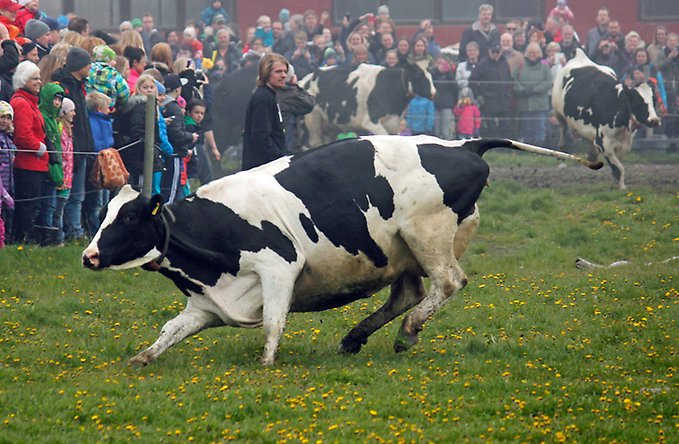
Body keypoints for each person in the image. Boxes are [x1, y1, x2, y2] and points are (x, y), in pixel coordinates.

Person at [52, 47, 95, 241]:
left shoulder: (80, 85)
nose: (90, 67)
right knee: (70, 195)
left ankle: (75, 230)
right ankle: (72, 232)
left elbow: (82, 119)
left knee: (79, 195)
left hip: (83, 148)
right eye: (88, 63)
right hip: (70, 149)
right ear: (79, 66)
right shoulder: (63, 86)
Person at [9, 61, 46, 244]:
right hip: (27, 163)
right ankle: (23, 239)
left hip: (35, 163)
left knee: (32, 203)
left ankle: (25, 238)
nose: (39, 81)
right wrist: (39, 146)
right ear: (24, 80)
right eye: (34, 78)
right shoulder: (22, 103)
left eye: (39, 78)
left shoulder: (30, 102)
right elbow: (23, 136)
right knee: (27, 204)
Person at [115, 74, 166, 193]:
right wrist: (150, 150)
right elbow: (138, 132)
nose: (149, 90)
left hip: (151, 154)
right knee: (143, 192)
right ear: (138, 89)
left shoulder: (153, 106)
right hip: (141, 158)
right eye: (145, 87)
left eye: (152, 87)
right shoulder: (140, 107)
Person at [241, 53, 288, 170]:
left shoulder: (269, 95)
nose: (283, 75)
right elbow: (260, 137)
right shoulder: (264, 98)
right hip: (262, 170)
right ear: (266, 73)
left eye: (285, 71)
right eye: (278, 72)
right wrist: (281, 159)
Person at [35, 81, 64, 246]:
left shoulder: (54, 119)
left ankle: (49, 237)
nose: (58, 103)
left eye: (60, 99)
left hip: (54, 167)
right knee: (47, 205)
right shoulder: (44, 116)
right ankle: (45, 238)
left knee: (51, 205)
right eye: (55, 99)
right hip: (47, 168)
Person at [161, 74, 197, 203]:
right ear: (177, 90)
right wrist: (190, 137)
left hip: (165, 153)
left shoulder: (161, 106)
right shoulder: (174, 108)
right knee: (171, 191)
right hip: (174, 153)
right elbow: (176, 133)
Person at [513, 43, 553, 146]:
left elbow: (548, 82)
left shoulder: (544, 68)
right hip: (524, 104)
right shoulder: (520, 67)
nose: (532, 54)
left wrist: (535, 90)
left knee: (539, 129)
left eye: (534, 52)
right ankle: (527, 150)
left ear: (539, 53)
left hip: (540, 105)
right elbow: (514, 81)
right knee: (526, 129)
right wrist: (522, 90)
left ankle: (539, 150)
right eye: (530, 52)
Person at [469, 44, 512, 138]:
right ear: (489, 51)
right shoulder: (483, 63)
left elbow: (509, 79)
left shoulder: (504, 62)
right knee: (490, 127)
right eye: (493, 52)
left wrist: (509, 93)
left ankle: (504, 147)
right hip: (489, 100)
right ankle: (492, 147)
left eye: (498, 52)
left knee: (505, 126)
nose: (496, 54)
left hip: (503, 99)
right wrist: (478, 95)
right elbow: (472, 80)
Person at [276, 65, 315, 154]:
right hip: (288, 141)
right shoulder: (290, 93)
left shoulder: (270, 89)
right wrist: (296, 86)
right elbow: (309, 103)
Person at [429, 56, 456, 140]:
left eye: (443, 63)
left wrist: (447, 73)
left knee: (446, 131)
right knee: (436, 131)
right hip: (435, 105)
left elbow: (455, 88)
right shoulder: (433, 74)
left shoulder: (450, 75)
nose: (441, 66)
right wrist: (436, 71)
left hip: (447, 105)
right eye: (439, 63)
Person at [0, 100, 15, 244]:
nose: (4, 121)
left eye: (8, 117)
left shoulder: (8, 137)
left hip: (8, 183)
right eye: (1, 117)